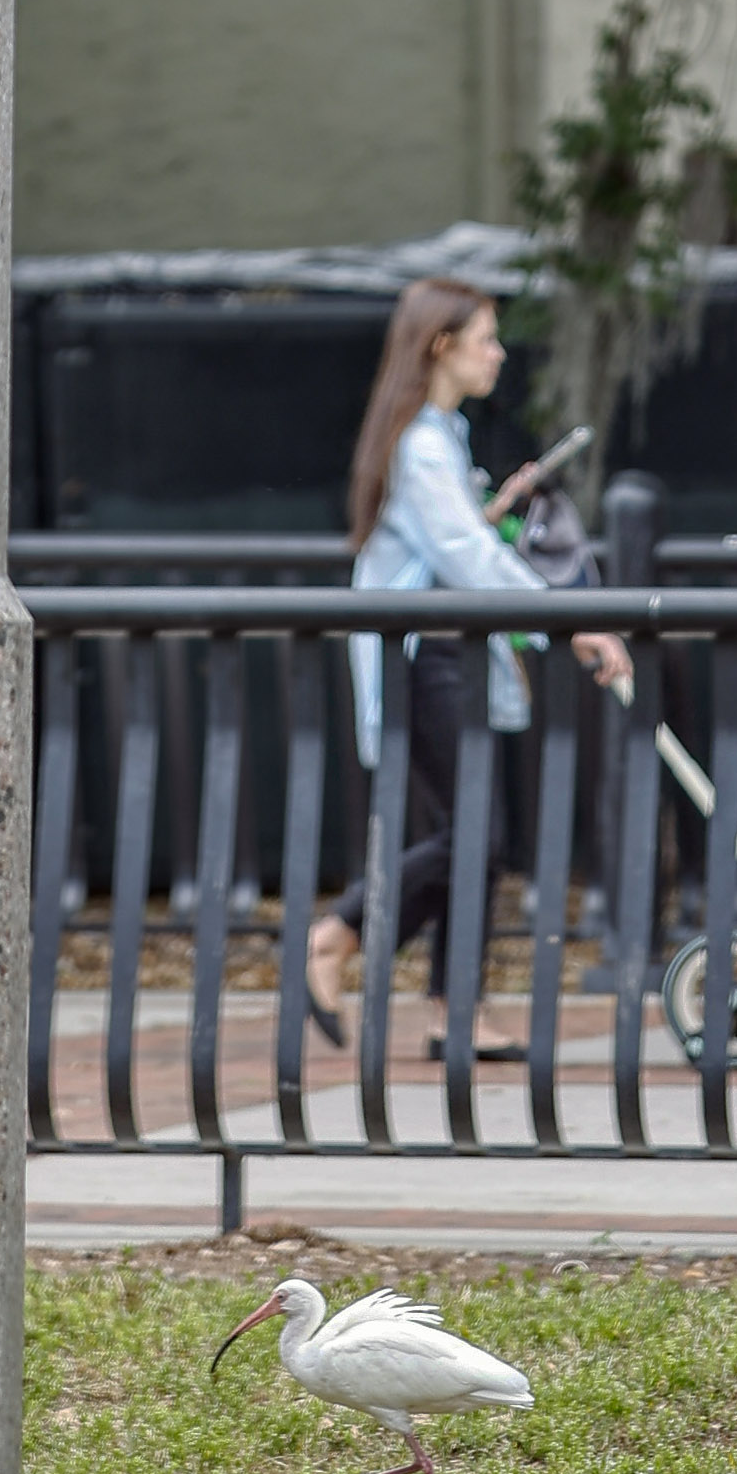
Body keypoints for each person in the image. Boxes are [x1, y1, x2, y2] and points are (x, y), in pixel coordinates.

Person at [305, 277, 629, 1043]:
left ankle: (453, 1009)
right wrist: (568, 622)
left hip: (445, 652)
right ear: (441, 346)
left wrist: (486, 519)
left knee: (476, 834)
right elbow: (464, 556)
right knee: (475, 833)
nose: (498, 353)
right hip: (426, 656)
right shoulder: (423, 444)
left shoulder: (436, 437)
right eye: (485, 338)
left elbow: (453, 544)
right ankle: (340, 935)